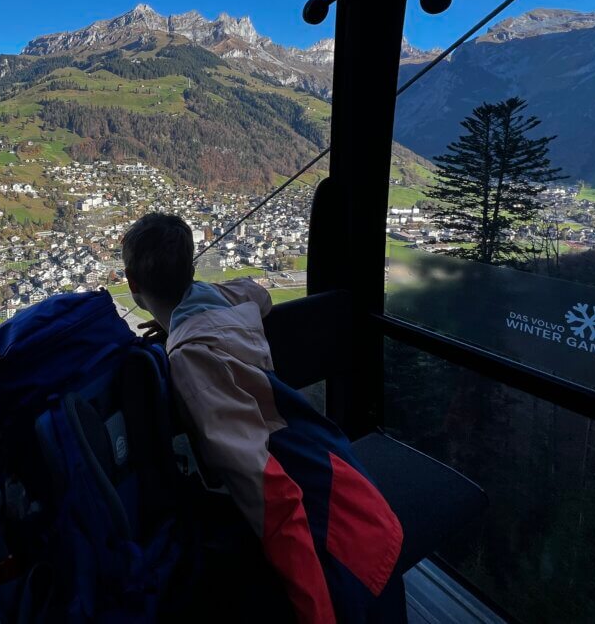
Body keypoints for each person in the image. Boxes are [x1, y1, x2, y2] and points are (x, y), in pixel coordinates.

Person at [122, 212, 405, 624]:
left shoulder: (191, 360)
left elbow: (263, 485)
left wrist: (317, 613)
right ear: (191, 267)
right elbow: (259, 294)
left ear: (131, 285)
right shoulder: (227, 303)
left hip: (331, 533)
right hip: (350, 487)